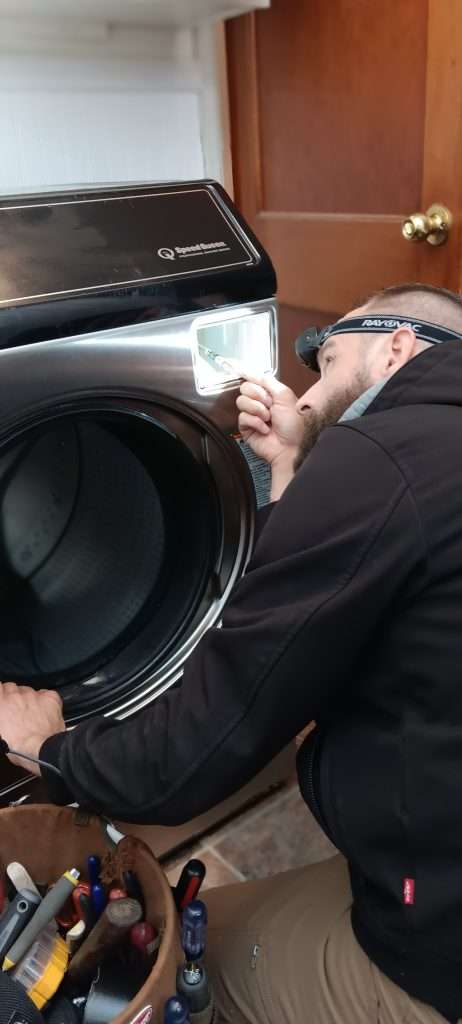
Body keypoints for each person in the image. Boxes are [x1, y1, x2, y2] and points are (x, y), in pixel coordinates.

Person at [2, 281, 462, 1023]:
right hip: (434, 852)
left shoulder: (379, 451)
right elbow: (324, 593)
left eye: (328, 359)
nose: (309, 390)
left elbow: (194, 750)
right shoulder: (430, 454)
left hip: (441, 950)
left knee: (176, 961)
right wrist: (288, 464)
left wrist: (52, 748)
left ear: (397, 348)